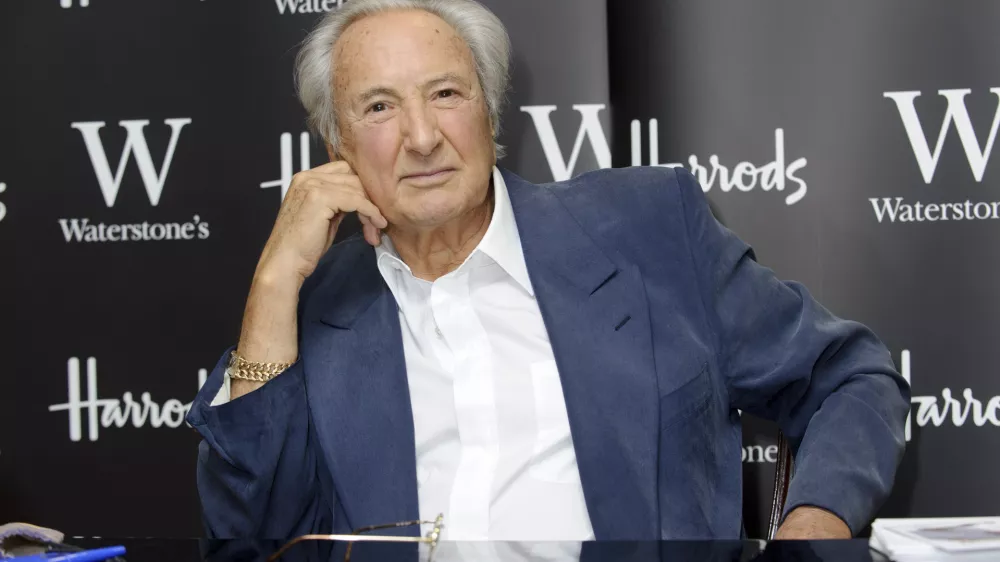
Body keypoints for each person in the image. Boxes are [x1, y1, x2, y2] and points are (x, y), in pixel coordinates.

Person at [186, 0, 909, 542]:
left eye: (446, 93)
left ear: (488, 112)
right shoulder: (313, 311)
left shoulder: (648, 231)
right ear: (336, 144)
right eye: (380, 107)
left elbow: (851, 377)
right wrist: (275, 285)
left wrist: (813, 530)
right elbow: (249, 537)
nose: (422, 136)